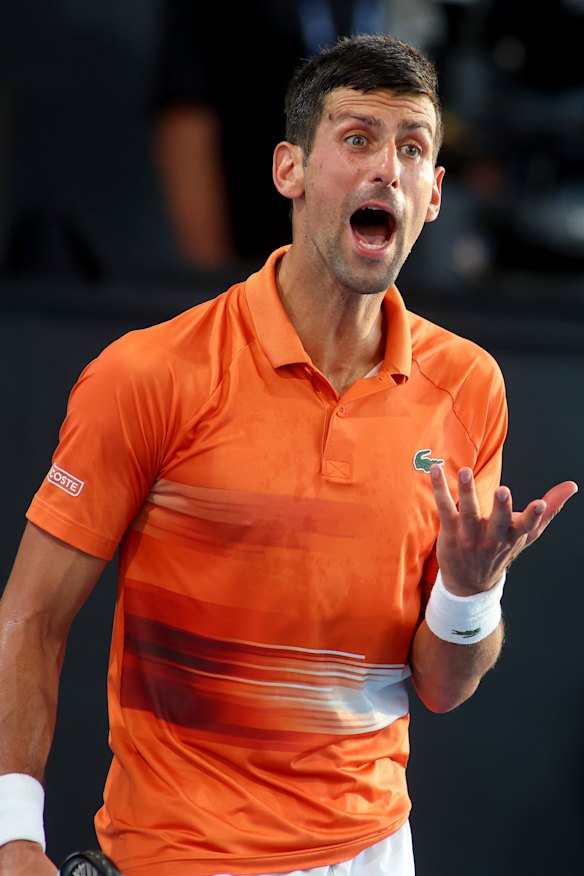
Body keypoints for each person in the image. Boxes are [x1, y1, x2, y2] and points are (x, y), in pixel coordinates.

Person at [0, 33, 577, 876]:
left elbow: (444, 685)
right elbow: (31, 617)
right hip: (182, 857)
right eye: (356, 139)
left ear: (435, 195)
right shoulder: (149, 374)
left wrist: (470, 587)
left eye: (412, 148)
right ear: (290, 171)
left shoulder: (469, 387)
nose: (387, 168)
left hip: (374, 853)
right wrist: (14, 837)